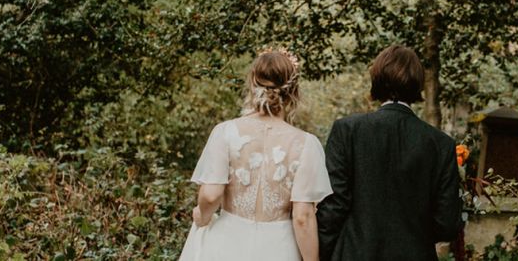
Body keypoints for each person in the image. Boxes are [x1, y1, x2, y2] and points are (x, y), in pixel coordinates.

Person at [179, 49, 333, 261]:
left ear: (253, 84)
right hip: (279, 249)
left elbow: (211, 195)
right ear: (292, 91)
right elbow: (303, 217)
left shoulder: (226, 132)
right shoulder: (306, 144)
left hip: (227, 245)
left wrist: (202, 216)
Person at [317, 45, 462, 261]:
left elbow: (333, 206)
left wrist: (323, 252)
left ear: (376, 79)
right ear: (417, 84)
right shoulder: (441, 144)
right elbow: (448, 224)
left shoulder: (347, 130)